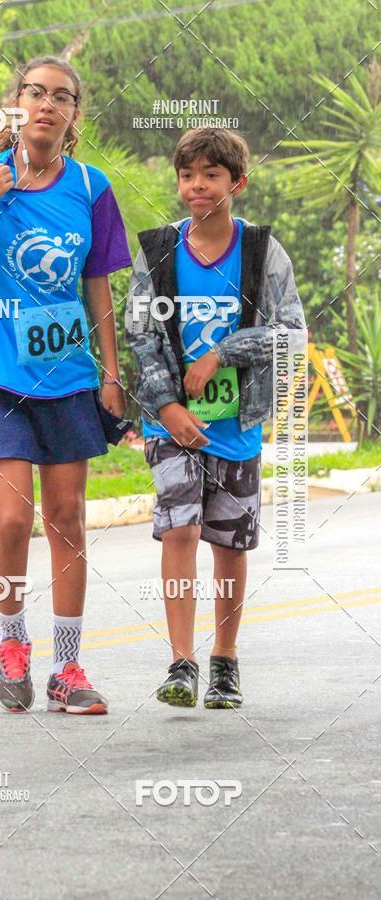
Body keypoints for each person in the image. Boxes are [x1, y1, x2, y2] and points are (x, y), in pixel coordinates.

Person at [0, 55, 132, 715]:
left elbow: (97, 282)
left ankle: (68, 667)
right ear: (16, 102)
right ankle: (12, 640)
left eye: (62, 97)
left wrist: (110, 372)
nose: (48, 105)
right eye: (36, 93)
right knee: (14, 519)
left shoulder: (91, 187)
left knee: (68, 519)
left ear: (75, 115)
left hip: (68, 375)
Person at [125, 127, 306, 708]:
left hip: (236, 425)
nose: (197, 186)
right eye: (187, 175)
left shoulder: (262, 252)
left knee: (229, 545)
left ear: (237, 183)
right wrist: (169, 406)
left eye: (211, 175)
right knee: (178, 530)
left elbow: (293, 336)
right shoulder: (157, 252)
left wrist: (224, 352)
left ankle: (224, 661)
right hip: (169, 424)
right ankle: (181, 663)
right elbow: (141, 335)